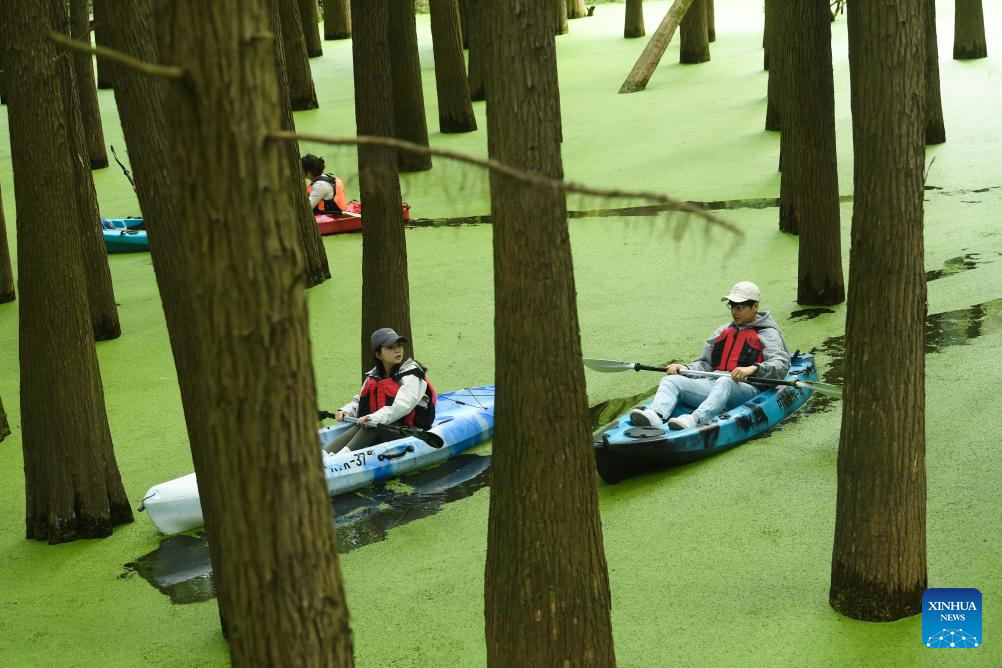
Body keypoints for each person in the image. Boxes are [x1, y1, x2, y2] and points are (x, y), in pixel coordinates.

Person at [629, 281, 791, 430]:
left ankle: (696, 419)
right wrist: (685, 368)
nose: (734, 312)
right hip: (713, 385)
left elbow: (781, 365)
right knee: (670, 380)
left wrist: (753, 369)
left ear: (755, 306)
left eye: (740, 307)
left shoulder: (768, 333)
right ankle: (656, 415)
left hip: (748, 390)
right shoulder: (722, 332)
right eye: (732, 306)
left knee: (725, 381)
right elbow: (705, 365)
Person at [323, 328, 437, 454]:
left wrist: (373, 418)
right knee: (366, 424)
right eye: (390, 347)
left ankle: (338, 458)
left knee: (374, 424)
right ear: (378, 354)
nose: (397, 350)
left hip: (410, 434)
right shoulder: (374, 376)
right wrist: (346, 411)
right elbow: (360, 401)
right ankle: (324, 455)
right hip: (384, 428)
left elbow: (403, 406)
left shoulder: (412, 375)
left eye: (399, 345)